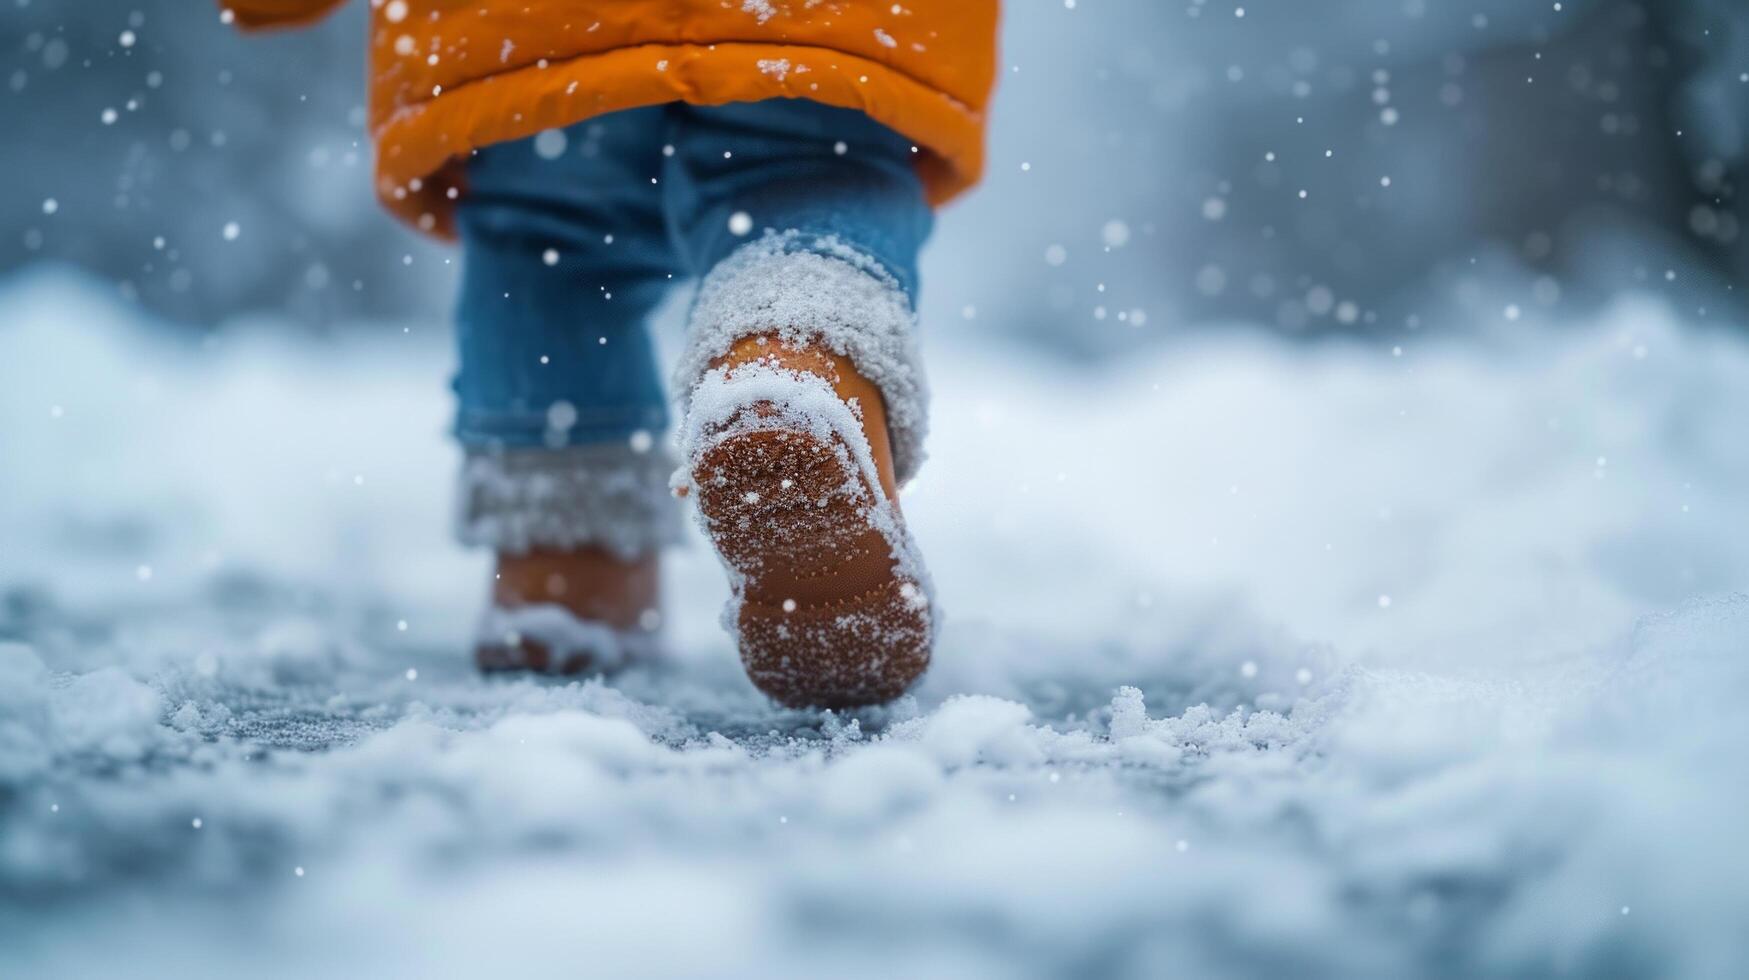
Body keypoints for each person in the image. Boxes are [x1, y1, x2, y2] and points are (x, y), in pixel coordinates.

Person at [223, 0, 999, 706]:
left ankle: (568, 569)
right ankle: (789, 370)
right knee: (804, 187)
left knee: (549, 248)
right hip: (823, 21)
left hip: (526, 28)